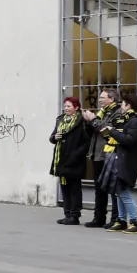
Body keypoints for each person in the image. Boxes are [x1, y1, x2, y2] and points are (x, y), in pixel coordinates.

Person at [96, 92, 137, 234]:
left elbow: (129, 140)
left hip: (127, 161)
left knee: (123, 192)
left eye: (123, 104)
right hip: (120, 158)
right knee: (118, 191)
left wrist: (112, 132)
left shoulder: (136, 121)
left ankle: (135, 222)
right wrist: (110, 132)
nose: (121, 106)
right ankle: (121, 220)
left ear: (129, 105)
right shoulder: (127, 119)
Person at [81, 88, 120, 228]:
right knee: (99, 189)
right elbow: (93, 132)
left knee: (113, 189)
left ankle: (116, 219)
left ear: (112, 99)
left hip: (108, 155)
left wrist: (94, 120)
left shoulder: (117, 113)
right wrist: (88, 122)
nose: (100, 100)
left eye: (103, 98)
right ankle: (99, 218)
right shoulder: (102, 112)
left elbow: (108, 132)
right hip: (97, 154)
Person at [49, 96, 89, 225]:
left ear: (76, 107)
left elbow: (86, 142)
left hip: (74, 159)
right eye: (65, 106)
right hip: (61, 159)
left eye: (69, 106)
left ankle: (74, 215)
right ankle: (67, 214)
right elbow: (52, 137)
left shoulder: (81, 121)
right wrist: (55, 137)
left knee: (74, 188)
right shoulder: (60, 120)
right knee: (64, 187)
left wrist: (76, 155)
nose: (66, 108)